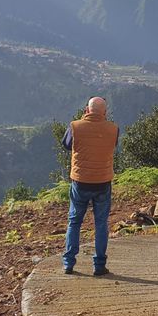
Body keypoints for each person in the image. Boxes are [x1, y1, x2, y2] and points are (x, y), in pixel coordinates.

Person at [61, 97, 119, 276]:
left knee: (75, 222)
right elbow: (113, 145)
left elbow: (66, 145)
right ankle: (99, 265)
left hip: (80, 182)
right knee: (101, 224)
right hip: (103, 181)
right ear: (105, 112)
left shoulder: (75, 126)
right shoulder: (113, 129)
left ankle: (69, 263)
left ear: (87, 110)